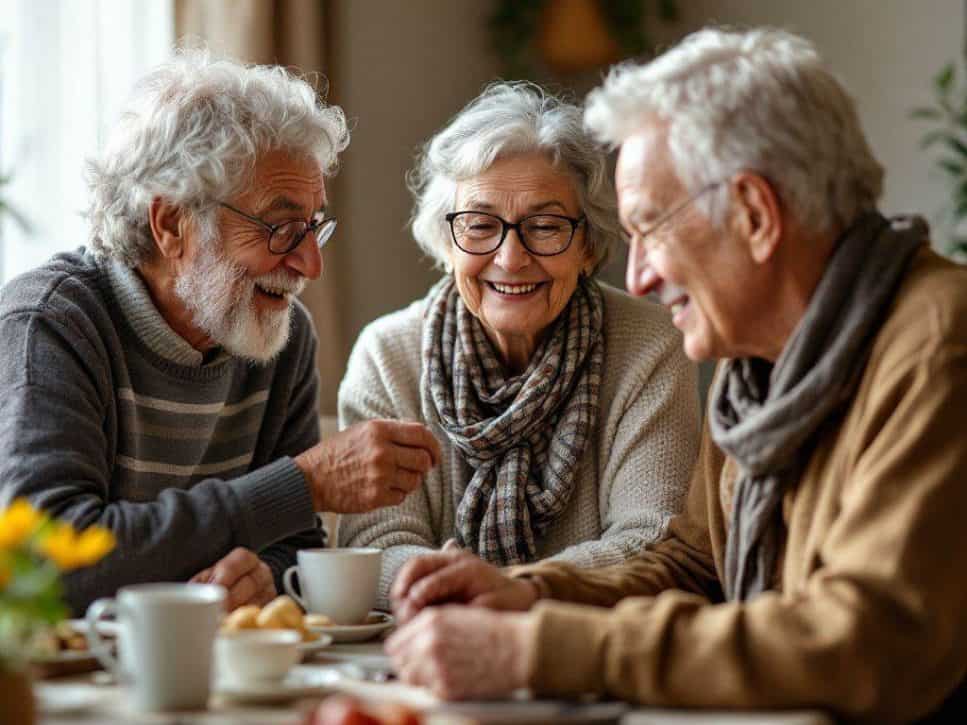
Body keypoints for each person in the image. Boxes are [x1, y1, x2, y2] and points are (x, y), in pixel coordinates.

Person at [384, 28, 967, 722]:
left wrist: (542, 647)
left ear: (753, 215)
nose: (638, 277)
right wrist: (531, 592)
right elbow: (692, 565)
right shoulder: (754, 363)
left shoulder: (936, 347)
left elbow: (867, 641)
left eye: (650, 227)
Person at [0, 50, 440, 616]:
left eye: (313, 228)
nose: (310, 263)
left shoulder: (278, 335)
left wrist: (262, 575)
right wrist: (299, 486)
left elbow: (292, 547)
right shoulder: (52, 323)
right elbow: (41, 568)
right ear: (171, 224)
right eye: (281, 228)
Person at [337, 82, 700, 606]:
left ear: (589, 246)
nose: (510, 258)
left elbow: (654, 541)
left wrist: (511, 589)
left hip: (585, 652)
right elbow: (373, 548)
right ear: (446, 242)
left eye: (545, 226)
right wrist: (465, 593)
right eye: (481, 225)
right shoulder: (388, 354)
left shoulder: (650, 346)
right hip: (421, 640)